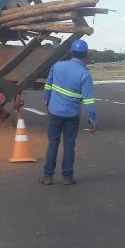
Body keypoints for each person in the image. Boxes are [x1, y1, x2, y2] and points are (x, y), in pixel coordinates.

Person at [41, 39, 97, 185]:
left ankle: (48, 176)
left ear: (71, 52)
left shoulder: (58, 66)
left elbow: (48, 87)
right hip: (72, 115)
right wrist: (92, 119)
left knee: (53, 143)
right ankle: (67, 177)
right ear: (85, 55)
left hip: (55, 112)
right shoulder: (85, 74)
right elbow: (89, 100)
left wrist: (47, 102)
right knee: (69, 145)